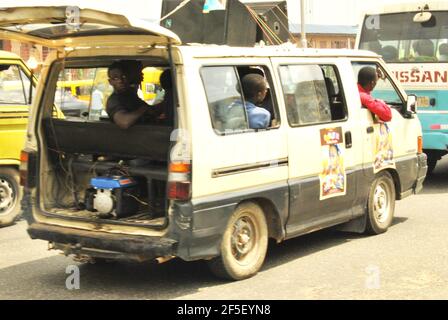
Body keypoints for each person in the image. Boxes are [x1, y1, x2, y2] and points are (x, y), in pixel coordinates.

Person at [106, 61, 162, 129]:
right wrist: (144, 109)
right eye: (115, 78)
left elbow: (151, 111)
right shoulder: (113, 101)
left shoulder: (132, 94)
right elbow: (124, 122)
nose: (120, 81)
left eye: (123, 76)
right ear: (110, 82)